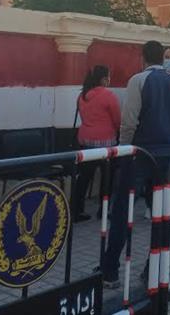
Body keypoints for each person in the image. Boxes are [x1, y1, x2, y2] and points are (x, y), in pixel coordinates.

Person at [100, 40, 170, 288]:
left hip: (140, 153)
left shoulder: (138, 80)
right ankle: (153, 269)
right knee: (162, 212)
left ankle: (110, 270)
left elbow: (129, 121)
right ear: (162, 58)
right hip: (168, 155)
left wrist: (124, 150)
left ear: (143, 58)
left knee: (122, 211)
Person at [74, 65, 120, 222]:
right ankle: (104, 210)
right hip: (106, 143)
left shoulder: (82, 95)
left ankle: (76, 210)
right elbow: (117, 119)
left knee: (84, 177)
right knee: (107, 179)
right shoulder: (109, 95)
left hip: (85, 141)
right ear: (104, 79)